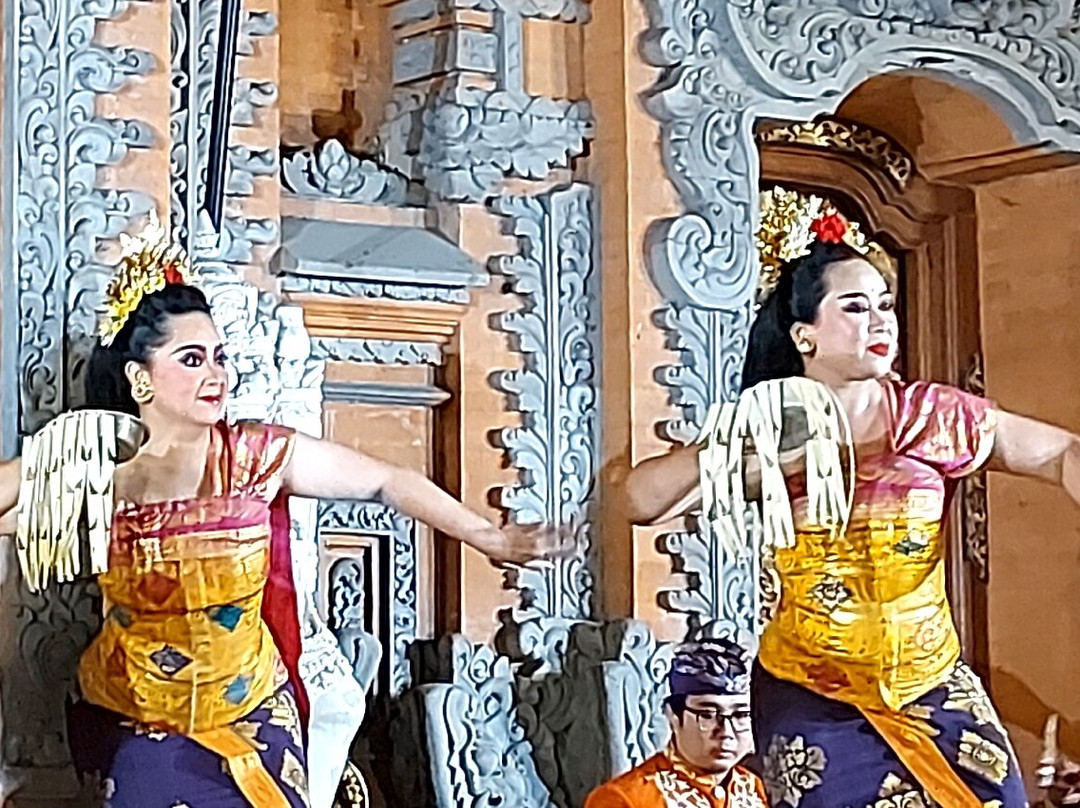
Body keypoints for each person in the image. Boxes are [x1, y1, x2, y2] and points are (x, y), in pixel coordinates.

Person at [0, 219, 570, 808]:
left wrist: (489, 537)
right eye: (192, 359)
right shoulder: (100, 479)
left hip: (248, 716)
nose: (217, 375)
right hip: (136, 720)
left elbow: (387, 480)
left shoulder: (256, 456)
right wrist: (57, 452)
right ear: (139, 378)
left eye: (220, 357)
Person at [616, 211, 1080, 808]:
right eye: (856, 308)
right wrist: (740, 442)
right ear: (803, 335)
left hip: (932, 684)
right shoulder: (768, 433)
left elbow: (1062, 453)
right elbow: (638, 501)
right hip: (814, 697)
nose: (880, 320)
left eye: (885, 305)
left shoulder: (930, 417)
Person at [584, 640, 767, 808]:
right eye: (707, 715)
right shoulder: (624, 798)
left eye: (741, 714)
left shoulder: (751, 788)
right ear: (673, 716)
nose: (726, 731)